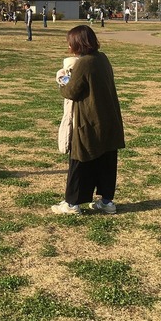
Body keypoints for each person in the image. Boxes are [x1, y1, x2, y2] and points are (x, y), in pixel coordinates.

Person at [51, 25, 125, 215]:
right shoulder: (102, 58)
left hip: (90, 119)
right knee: (106, 160)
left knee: (80, 160)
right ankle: (107, 202)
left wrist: (63, 79)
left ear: (77, 43)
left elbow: (71, 92)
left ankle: (72, 203)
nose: (68, 46)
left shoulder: (84, 63)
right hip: (109, 119)